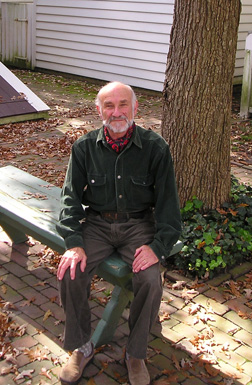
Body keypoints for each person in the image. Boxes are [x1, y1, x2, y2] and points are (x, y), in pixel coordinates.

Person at [56, 81, 181, 385]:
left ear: (135, 108)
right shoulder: (84, 147)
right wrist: (73, 243)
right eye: (109, 106)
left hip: (139, 226)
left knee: (150, 280)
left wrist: (158, 246)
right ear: (99, 110)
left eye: (123, 104)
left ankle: (135, 354)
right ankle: (82, 345)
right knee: (70, 272)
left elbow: (169, 208)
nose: (116, 112)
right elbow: (70, 200)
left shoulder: (155, 148)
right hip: (97, 224)